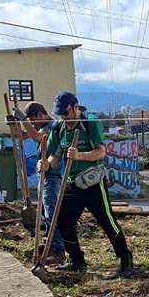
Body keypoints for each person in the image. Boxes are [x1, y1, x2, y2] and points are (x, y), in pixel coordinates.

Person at [25, 92, 133, 278]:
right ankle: (77, 261)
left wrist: (81, 156)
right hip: (72, 182)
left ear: (75, 107)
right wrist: (47, 164)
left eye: (66, 112)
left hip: (93, 182)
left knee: (106, 221)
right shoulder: (59, 128)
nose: (64, 117)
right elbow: (56, 155)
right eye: (60, 114)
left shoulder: (89, 123)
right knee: (63, 221)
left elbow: (100, 152)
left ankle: (126, 261)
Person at [17, 105, 66, 260]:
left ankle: (59, 249)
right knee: (45, 213)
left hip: (52, 175)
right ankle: (50, 243)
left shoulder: (52, 126)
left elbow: (37, 137)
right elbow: (23, 135)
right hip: (43, 175)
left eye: (33, 121)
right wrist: (14, 124)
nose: (32, 125)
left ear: (40, 115)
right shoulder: (40, 128)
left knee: (52, 213)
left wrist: (23, 120)